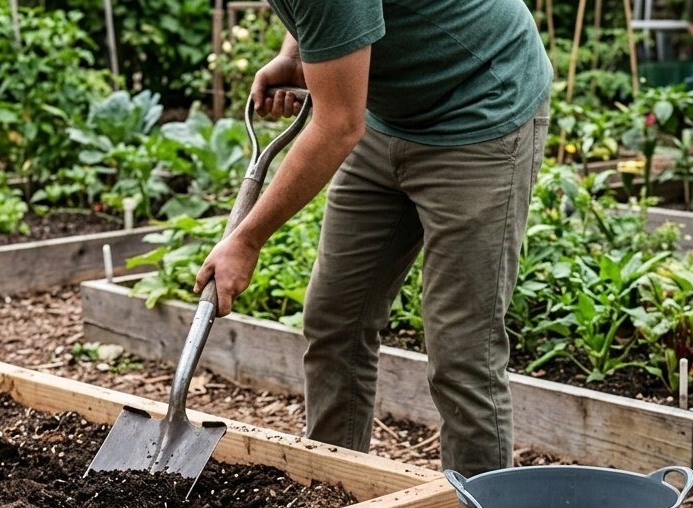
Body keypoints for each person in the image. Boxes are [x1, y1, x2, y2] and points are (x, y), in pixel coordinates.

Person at [194, 0, 552, 477]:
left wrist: (247, 239)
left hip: (479, 113)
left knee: (463, 351)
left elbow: (339, 124)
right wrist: (296, 55)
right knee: (336, 318)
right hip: (386, 120)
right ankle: (331, 494)